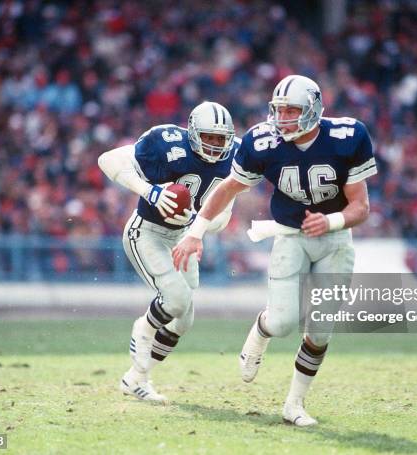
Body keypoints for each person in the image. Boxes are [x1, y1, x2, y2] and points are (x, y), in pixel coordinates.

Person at [172, 75, 377, 426]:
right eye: (279, 110)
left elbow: (361, 207)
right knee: (283, 322)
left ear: (313, 110)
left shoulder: (348, 136)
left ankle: (294, 405)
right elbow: (228, 188)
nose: (282, 119)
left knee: (321, 326)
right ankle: (261, 330)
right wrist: (196, 231)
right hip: (291, 234)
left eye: (292, 111)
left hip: (336, 238)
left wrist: (330, 223)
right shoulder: (262, 141)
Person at [98, 101, 239, 403]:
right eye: (209, 137)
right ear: (192, 133)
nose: (216, 145)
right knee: (176, 298)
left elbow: (224, 216)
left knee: (183, 319)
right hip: (146, 231)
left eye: (221, 138)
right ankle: (142, 341)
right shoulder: (166, 142)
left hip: (182, 238)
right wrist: (151, 191)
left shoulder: (235, 157)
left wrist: (196, 227)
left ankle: (135, 378)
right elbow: (107, 159)